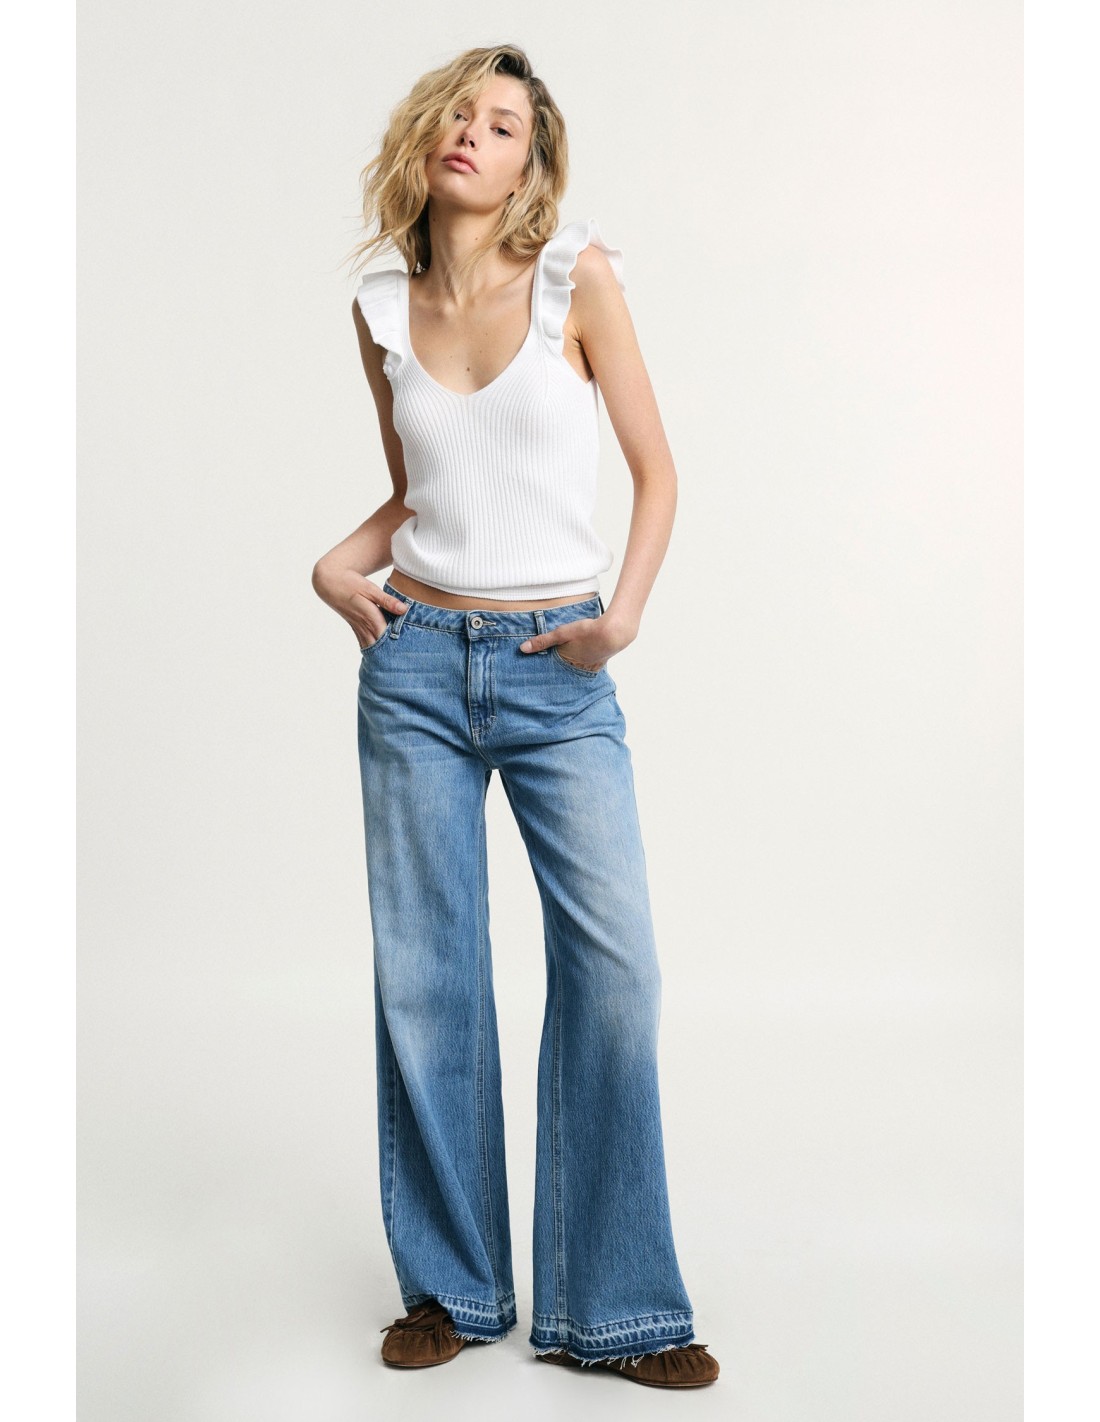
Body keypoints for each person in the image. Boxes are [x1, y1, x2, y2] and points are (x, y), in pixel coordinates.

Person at [312, 44, 719, 1390]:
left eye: (504, 125)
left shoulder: (574, 280)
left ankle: (618, 1306)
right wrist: (335, 565)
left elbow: (657, 471)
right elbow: (424, 488)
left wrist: (624, 615)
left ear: (532, 164)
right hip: (416, 667)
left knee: (616, 969)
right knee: (429, 980)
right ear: (425, 136)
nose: (474, 135)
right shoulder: (381, 302)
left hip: (558, 668)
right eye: (460, 115)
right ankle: (453, 1286)